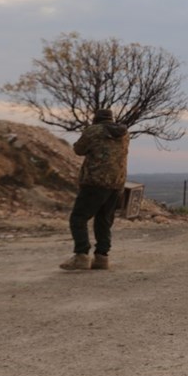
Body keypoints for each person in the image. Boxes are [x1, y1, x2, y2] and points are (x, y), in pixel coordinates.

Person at [60, 108, 130, 271]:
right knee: (103, 220)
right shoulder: (124, 134)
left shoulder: (93, 131)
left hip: (95, 181)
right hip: (116, 183)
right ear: (111, 119)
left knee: (78, 217)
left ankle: (81, 255)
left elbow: (79, 150)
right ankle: (101, 257)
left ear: (95, 119)